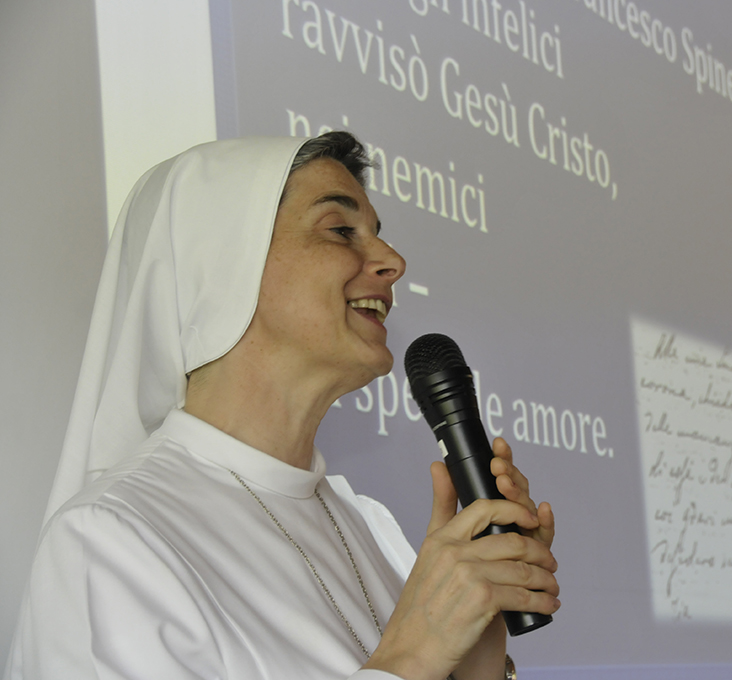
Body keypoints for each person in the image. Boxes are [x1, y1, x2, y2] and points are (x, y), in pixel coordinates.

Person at [4, 133, 558, 680]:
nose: (393, 261)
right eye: (341, 230)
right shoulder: (110, 542)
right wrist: (412, 658)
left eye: (378, 234)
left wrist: (476, 656)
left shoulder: (369, 527)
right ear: (221, 267)